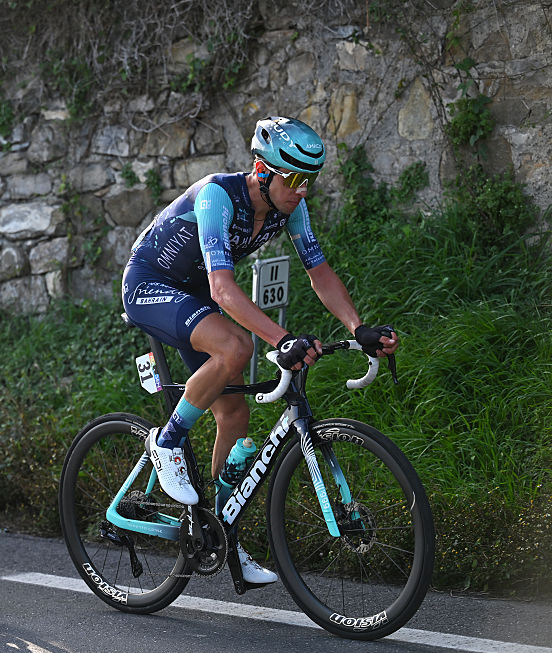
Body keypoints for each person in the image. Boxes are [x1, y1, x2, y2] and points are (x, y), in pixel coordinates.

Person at [122, 116, 398, 584]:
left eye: (309, 180)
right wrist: (281, 339)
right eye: (293, 179)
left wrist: (359, 326)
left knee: (234, 414)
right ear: (262, 170)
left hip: (197, 296)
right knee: (236, 346)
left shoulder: (289, 207)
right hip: (152, 284)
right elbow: (224, 291)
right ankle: (166, 442)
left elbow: (319, 272)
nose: (302, 191)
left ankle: (220, 533)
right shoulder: (217, 196)